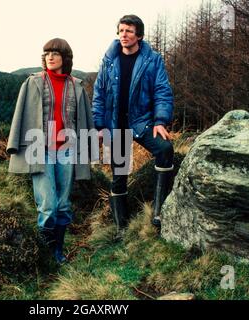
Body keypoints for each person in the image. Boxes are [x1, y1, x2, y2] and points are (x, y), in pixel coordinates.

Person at [6, 38, 95, 264]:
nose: (50, 57)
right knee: (47, 206)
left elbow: (84, 120)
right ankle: (44, 255)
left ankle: (57, 252)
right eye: (47, 53)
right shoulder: (33, 82)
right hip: (40, 150)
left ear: (65, 58)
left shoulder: (76, 86)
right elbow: (20, 116)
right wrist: (14, 145)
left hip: (67, 151)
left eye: (55, 53)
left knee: (63, 206)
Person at [92, 15, 174, 233]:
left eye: (128, 31)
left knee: (165, 148)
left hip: (143, 122)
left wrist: (160, 121)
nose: (123, 35)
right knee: (119, 177)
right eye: (120, 31)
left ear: (139, 35)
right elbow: (99, 94)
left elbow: (162, 91)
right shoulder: (109, 60)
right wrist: (99, 126)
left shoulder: (152, 59)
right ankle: (121, 228)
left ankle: (158, 212)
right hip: (116, 125)